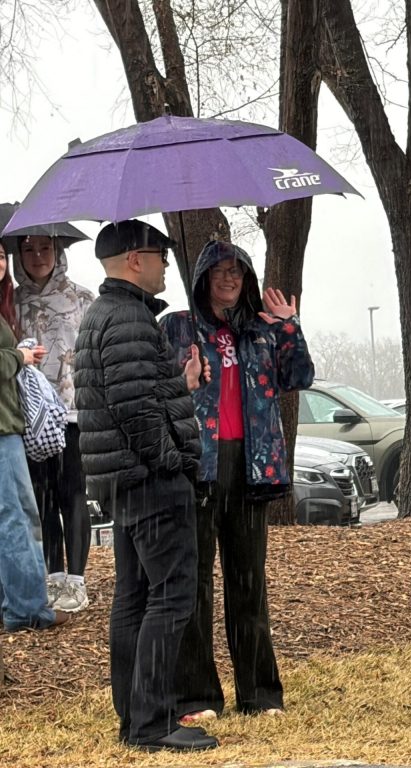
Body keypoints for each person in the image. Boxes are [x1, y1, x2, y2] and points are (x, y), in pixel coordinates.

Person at [74, 220, 216, 752]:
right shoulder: (130, 317)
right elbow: (134, 410)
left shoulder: (104, 315)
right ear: (135, 259)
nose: (164, 265)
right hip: (152, 482)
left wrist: (179, 386)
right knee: (172, 597)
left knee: (134, 598)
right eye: (159, 255)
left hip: (125, 484)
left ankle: (135, 719)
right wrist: (174, 460)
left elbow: (132, 397)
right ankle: (154, 722)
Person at [161, 240, 314, 722]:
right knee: (195, 584)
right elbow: (159, 387)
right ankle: (197, 697)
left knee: (248, 583)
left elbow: (299, 376)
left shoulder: (261, 332)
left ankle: (261, 694)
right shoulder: (178, 326)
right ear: (204, 276)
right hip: (198, 465)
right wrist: (180, 373)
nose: (229, 279)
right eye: (220, 271)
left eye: (238, 272)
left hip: (252, 466)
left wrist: (289, 326)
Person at [13, 234, 95, 613]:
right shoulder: (11, 301)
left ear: (58, 251)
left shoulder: (82, 297)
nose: (37, 257)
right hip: (29, 415)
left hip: (73, 411)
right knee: (41, 495)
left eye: (45, 248)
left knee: (72, 492)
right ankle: (54, 575)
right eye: (28, 250)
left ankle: (77, 580)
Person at [0, 239, 69, 632]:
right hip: (2, 428)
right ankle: (26, 609)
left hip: (7, 422)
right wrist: (19, 358)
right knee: (18, 517)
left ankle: (12, 602)